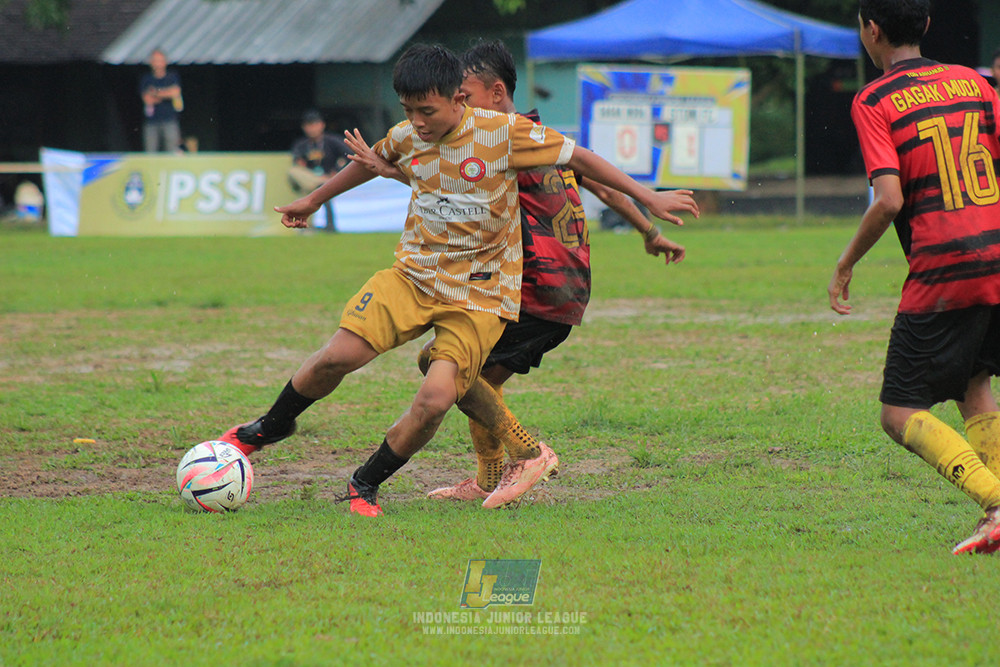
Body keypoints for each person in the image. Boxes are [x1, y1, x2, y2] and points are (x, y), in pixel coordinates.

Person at [219, 43, 699, 518]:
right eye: (409, 110)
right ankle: (267, 429)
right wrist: (314, 200)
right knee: (338, 355)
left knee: (436, 397)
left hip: (482, 294)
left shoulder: (508, 134)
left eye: (427, 110)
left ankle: (364, 484)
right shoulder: (409, 134)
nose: (418, 121)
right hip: (414, 275)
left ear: (460, 100)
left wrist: (649, 200)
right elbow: (371, 163)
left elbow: (585, 160)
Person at [829, 0, 1000, 554]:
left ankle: (996, 504)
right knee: (974, 384)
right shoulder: (973, 83)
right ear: (925, 25)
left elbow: (888, 200)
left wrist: (847, 261)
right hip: (996, 256)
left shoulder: (875, 99)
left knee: (899, 410)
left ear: (870, 31)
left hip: (944, 267)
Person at [288, 110, 351, 232]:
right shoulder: (301, 145)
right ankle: (306, 226)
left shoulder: (332, 141)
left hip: (332, 178)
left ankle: (325, 225)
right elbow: (298, 164)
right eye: (308, 125)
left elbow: (349, 155)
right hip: (312, 179)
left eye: (314, 124)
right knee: (294, 172)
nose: (312, 129)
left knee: (321, 188)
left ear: (322, 125)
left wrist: (337, 171)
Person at [139, 49, 183, 153]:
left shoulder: (172, 77)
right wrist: (166, 93)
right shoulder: (146, 79)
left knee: (172, 151)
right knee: (150, 152)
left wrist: (156, 92)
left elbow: (175, 92)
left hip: (170, 120)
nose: (157, 63)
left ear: (165, 62)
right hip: (151, 122)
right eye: (155, 60)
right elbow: (147, 99)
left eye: (160, 60)